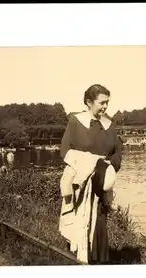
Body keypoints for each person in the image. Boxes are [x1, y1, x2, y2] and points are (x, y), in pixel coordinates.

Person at [59, 84, 123, 264]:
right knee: (78, 223)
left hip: (100, 185)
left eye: (107, 103)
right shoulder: (75, 122)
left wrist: (109, 164)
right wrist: (87, 162)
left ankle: (99, 262)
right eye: (101, 103)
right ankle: (76, 260)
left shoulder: (109, 126)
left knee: (98, 224)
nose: (105, 107)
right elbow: (65, 151)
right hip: (80, 183)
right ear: (88, 102)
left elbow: (118, 152)